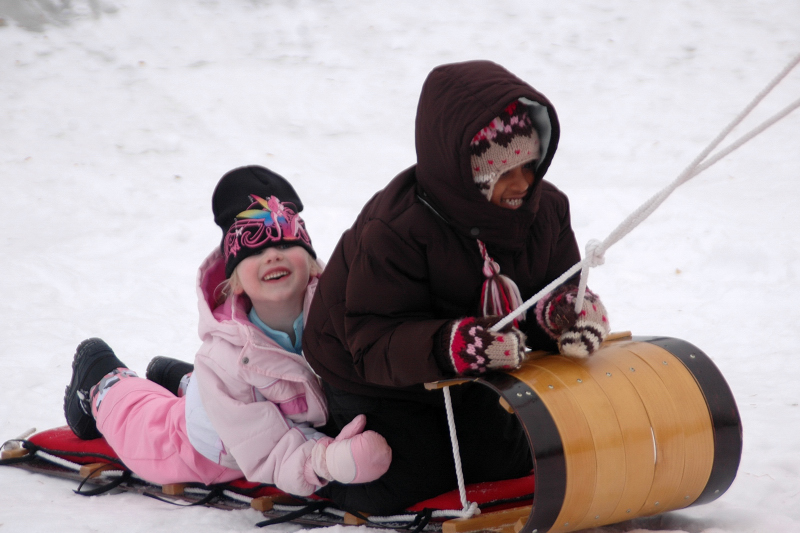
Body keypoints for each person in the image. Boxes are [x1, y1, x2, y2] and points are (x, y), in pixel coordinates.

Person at [302, 60, 610, 514]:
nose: (522, 184)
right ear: (466, 173)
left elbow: (547, 296)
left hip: (461, 374)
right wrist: (455, 346)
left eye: (529, 165)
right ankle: (313, 463)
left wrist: (561, 315)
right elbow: (372, 341)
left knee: (505, 460)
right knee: (413, 475)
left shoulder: (546, 211)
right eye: (504, 171)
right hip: (369, 374)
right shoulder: (397, 229)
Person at [62, 165, 392, 497]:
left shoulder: (335, 310)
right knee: (143, 426)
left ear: (310, 260)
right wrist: (323, 461)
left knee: (220, 391)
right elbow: (268, 449)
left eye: (286, 242)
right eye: (255, 249)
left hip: (239, 402)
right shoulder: (223, 360)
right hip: (208, 448)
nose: (272, 255)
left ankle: (182, 380)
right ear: (235, 278)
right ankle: (101, 378)